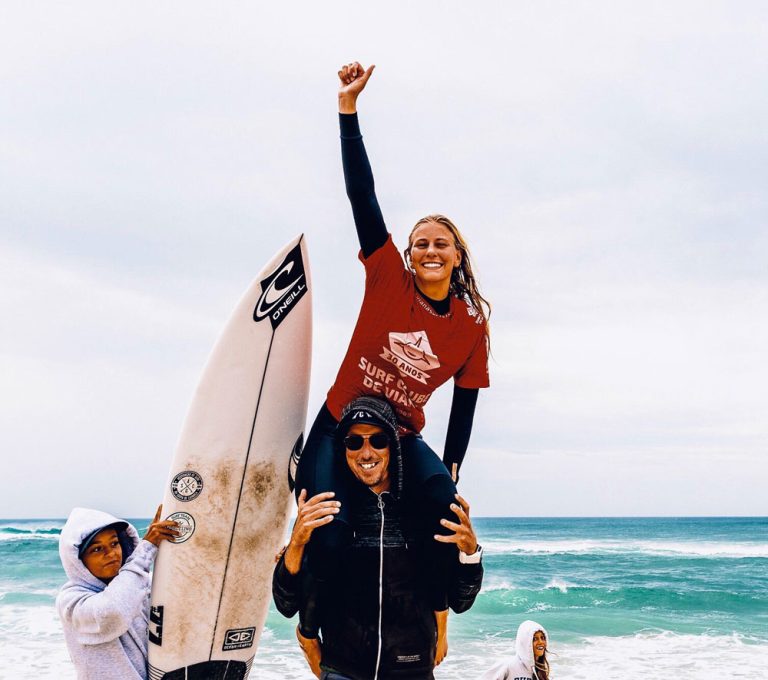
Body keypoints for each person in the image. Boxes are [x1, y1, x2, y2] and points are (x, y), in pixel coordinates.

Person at [293, 58, 491, 622]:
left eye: (441, 244)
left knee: (445, 512)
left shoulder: (469, 325)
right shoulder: (386, 278)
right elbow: (362, 195)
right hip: (339, 428)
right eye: (420, 243)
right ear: (407, 255)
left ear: (457, 258)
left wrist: (451, 464)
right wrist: (347, 111)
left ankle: (438, 617)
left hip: (400, 435)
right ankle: (312, 630)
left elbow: (468, 398)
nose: (430, 250)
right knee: (326, 535)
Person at [274, 396, 484, 680]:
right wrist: (297, 541)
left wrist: (470, 553)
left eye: (378, 440)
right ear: (343, 449)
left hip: (412, 669)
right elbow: (286, 603)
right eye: (354, 442)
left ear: (393, 446)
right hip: (342, 669)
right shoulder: (333, 513)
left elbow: (461, 601)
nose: (366, 452)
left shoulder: (420, 509)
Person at [56, 505, 178, 680]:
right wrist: (146, 549)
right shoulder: (70, 600)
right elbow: (113, 614)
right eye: (97, 549)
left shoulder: (138, 587)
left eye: (114, 543)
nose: (111, 553)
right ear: (78, 561)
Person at [481, 620, 551, 680]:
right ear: (525, 642)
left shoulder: (541, 671)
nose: (541, 642)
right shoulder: (508, 665)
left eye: (542, 638)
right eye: (535, 639)